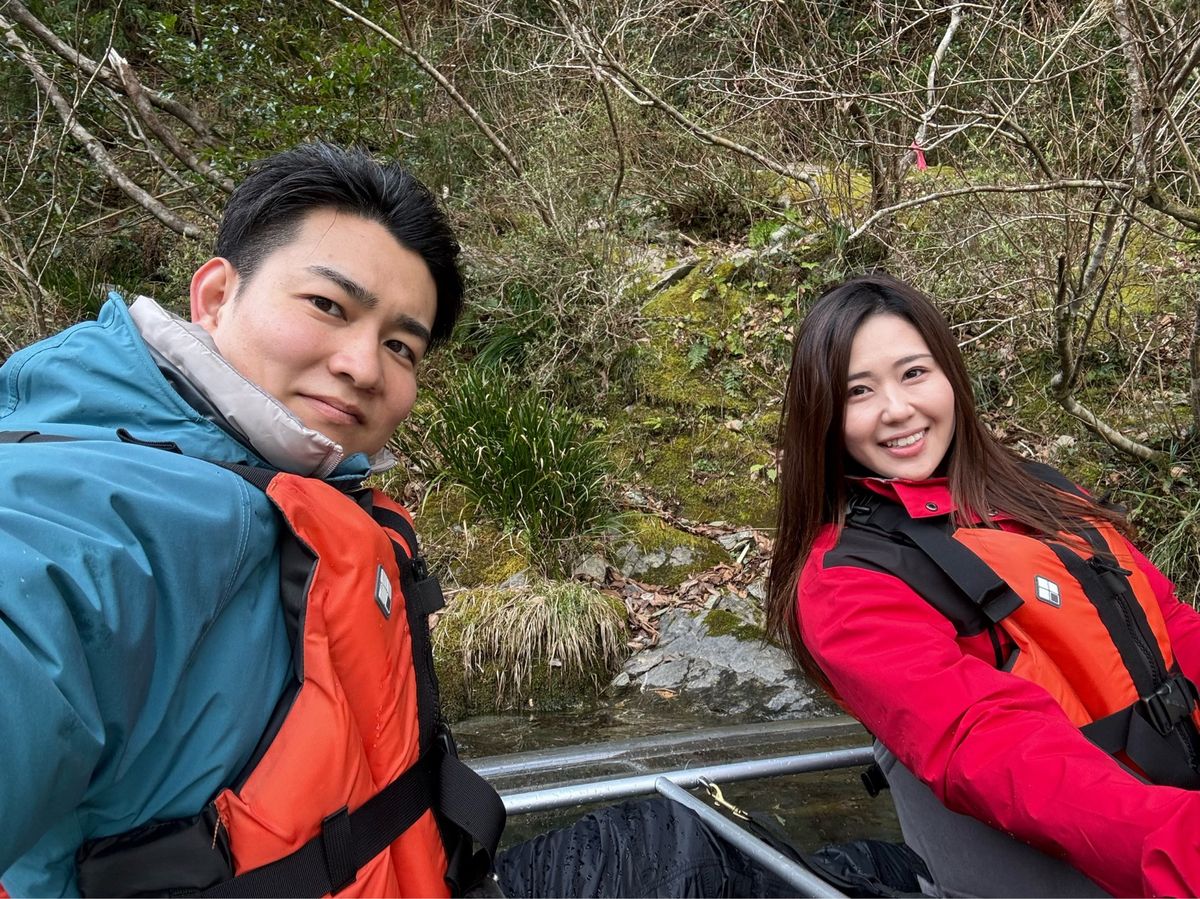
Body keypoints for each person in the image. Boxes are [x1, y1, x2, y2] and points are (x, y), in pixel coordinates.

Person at [0, 142, 503, 897]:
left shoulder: (307, 482)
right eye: (328, 306)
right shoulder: (98, 510)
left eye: (401, 345)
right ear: (212, 295)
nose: (364, 366)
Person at [765, 272, 1200, 898]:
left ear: (949, 377)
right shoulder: (847, 582)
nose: (897, 409)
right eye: (858, 391)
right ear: (824, 416)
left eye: (914, 373)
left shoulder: (1038, 491)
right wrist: (1176, 840)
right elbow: (989, 744)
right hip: (1088, 858)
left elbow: (1169, 623)